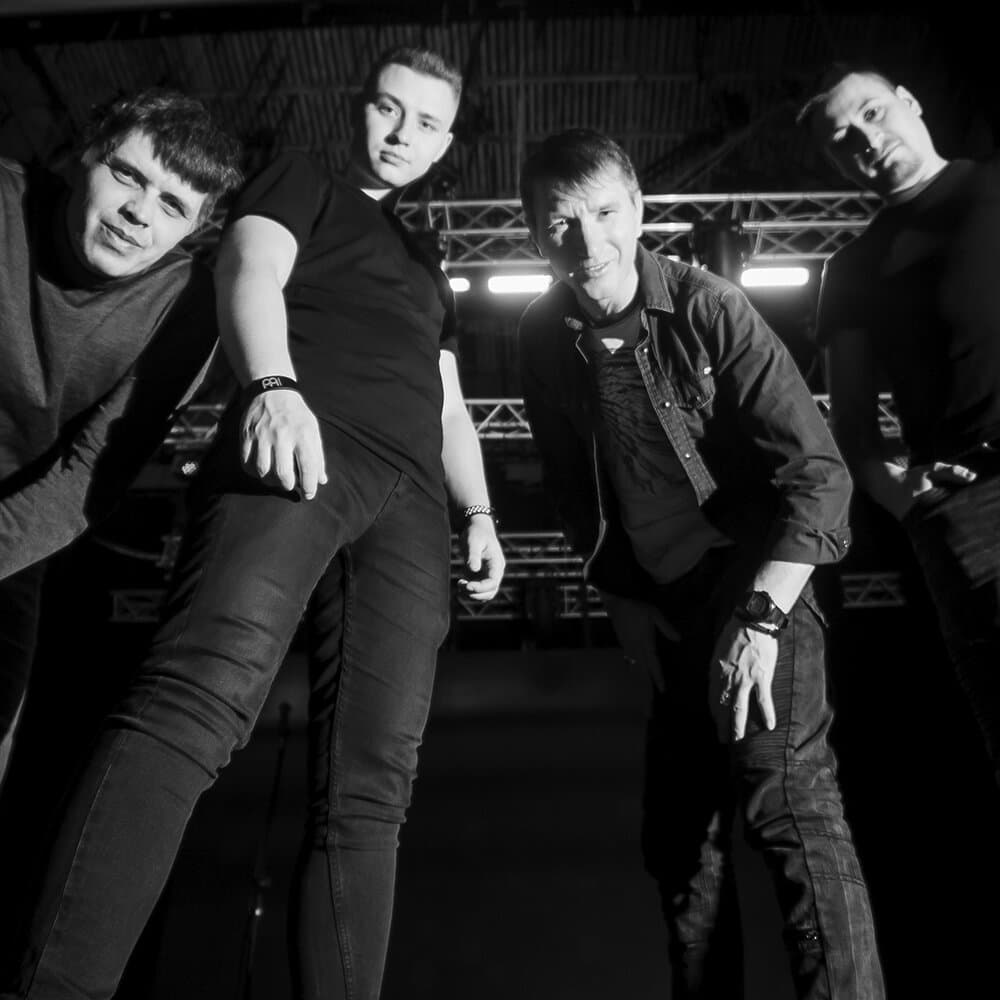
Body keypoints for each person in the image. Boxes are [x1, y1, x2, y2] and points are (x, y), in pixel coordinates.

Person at [0, 45, 503, 1000]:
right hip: (305, 442)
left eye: (428, 123)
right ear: (357, 107)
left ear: (445, 145)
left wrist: (476, 510)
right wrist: (272, 386)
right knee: (195, 701)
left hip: (410, 504)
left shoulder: (427, 257)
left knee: (374, 787)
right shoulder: (301, 177)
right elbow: (251, 265)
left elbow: (448, 403)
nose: (403, 134)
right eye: (388, 108)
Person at [516, 128, 883, 999]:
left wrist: (761, 618)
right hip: (666, 602)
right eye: (562, 222)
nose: (588, 241)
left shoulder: (708, 306)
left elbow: (820, 474)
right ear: (534, 235)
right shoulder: (541, 336)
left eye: (606, 213)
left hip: (753, 582)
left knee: (789, 805)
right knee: (681, 846)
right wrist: (619, 595)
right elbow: (569, 489)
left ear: (639, 210)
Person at [0, 89, 243, 791]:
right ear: (83, 156)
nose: (140, 212)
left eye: (173, 205)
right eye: (128, 175)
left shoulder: (188, 309)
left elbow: (90, 475)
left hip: (17, 523)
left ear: (196, 227)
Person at [797, 64, 1000, 785]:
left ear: (909, 101)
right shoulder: (853, 268)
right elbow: (850, 421)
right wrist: (907, 498)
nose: (865, 139)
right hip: (973, 505)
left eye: (873, 113)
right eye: (842, 140)